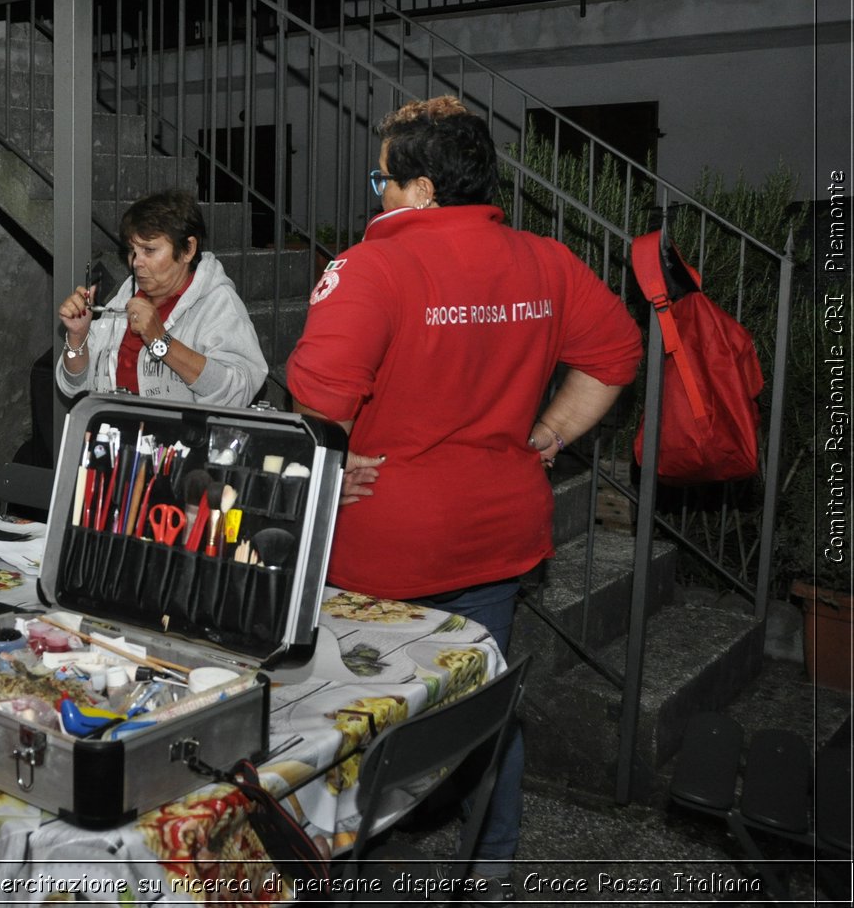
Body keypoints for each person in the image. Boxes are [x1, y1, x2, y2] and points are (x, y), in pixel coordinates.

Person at [285, 96, 642, 899]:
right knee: (480, 704)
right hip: (497, 531)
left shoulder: (370, 266)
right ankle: (493, 863)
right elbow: (618, 351)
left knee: (359, 717)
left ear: (418, 189)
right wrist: (549, 431)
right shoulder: (544, 260)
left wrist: (332, 467)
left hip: (384, 545)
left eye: (381, 177)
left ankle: (345, 869)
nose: (375, 192)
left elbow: (320, 401)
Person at [56, 189, 267, 407]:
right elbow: (74, 386)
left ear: (188, 249)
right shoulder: (126, 295)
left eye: (149, 250)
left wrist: (162, 342)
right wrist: (77, 338)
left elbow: (237, 393)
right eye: (132, 250)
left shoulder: (218, 303)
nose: (136, 262)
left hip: (177, 440)